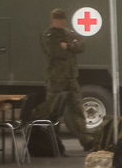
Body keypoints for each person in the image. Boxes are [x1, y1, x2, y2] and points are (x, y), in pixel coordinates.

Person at [35, 8, 96, 152]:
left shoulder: (69, 34)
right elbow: (55, 51)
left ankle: (87, 141)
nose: (61, 22)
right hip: (56, 78)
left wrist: (69, 46)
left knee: (77, 109)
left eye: (63, 19)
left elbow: (81, 46)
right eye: (58, 20)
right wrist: (70, 48)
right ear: (53, 20)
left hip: (71, 77)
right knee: (52, 109)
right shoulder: (48, 35)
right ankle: (51, 139)